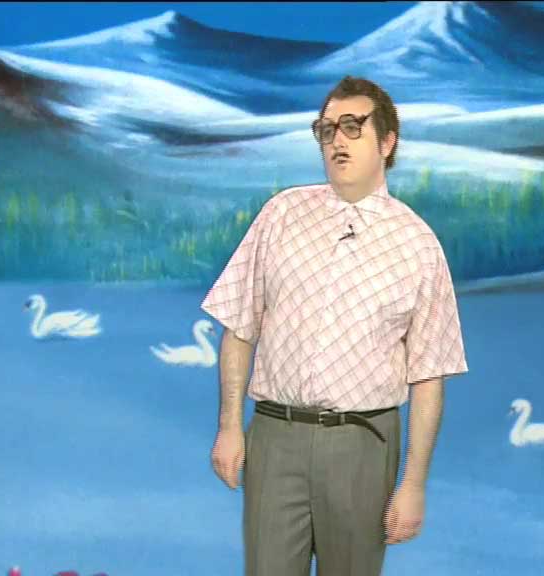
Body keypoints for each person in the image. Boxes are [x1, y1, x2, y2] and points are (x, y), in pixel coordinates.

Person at [201, 76, 468, 576]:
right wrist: (229, 426)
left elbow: (429, 374)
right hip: (274, 439)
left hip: (362, 444)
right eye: (326, 130)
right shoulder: (281, 214)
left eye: (352, 126)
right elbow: (238, 326)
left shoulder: (418, 244)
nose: (337, 140)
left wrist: (413, 485)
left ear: (387, 142)